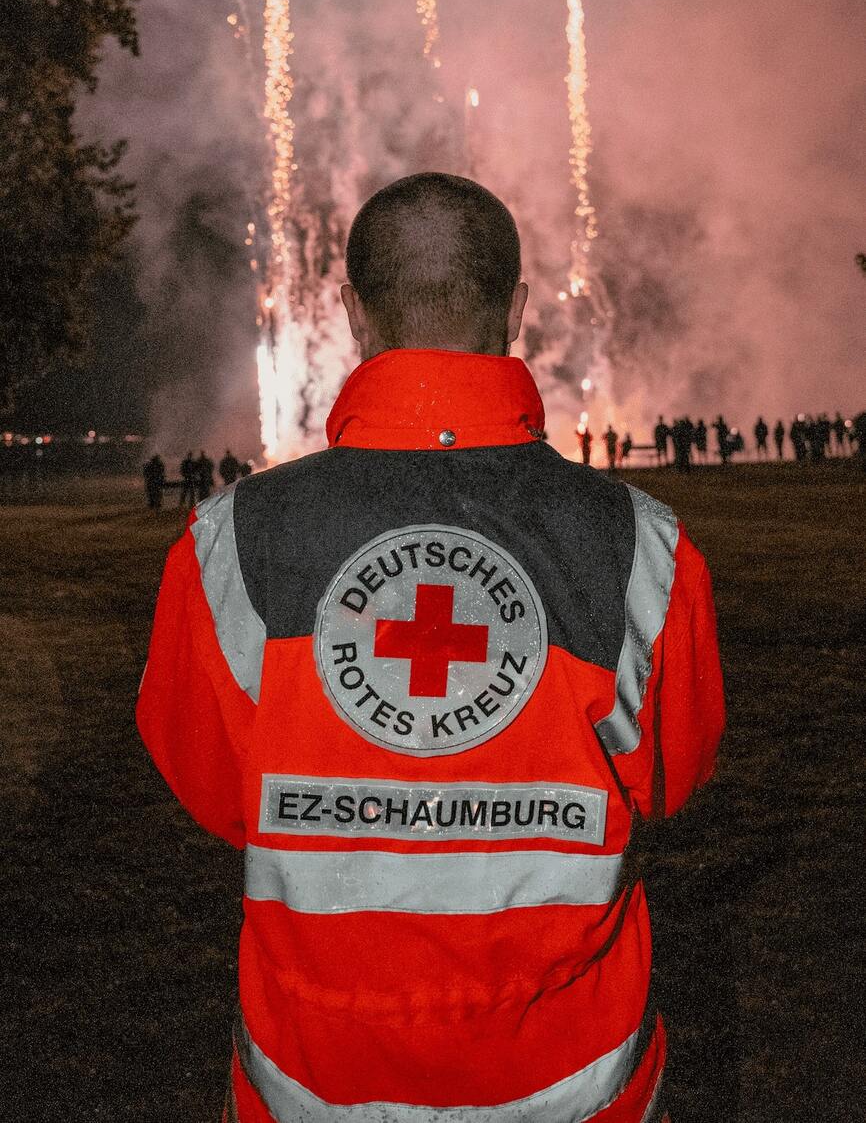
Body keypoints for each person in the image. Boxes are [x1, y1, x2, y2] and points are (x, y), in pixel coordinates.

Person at [137, 173, 724, 1123]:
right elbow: (669, 776)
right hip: (570, 1080)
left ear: (352, 315)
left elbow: (215, 792)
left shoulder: (228, 543)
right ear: (519, 311)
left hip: (315, 1083)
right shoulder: (642, 547)